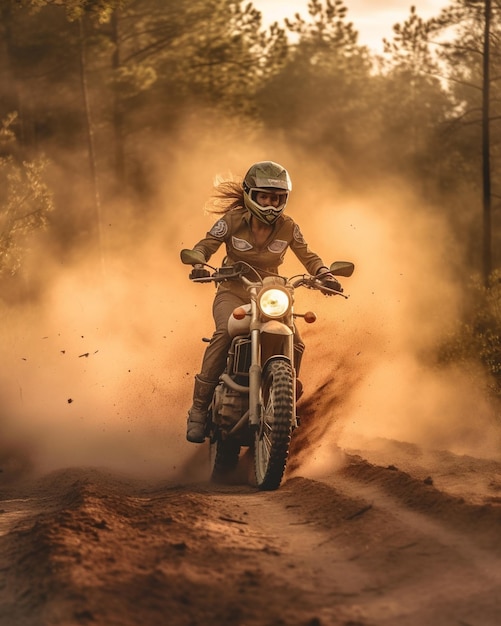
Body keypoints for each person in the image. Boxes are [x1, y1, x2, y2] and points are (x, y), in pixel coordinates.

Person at [182, 160, 341, 443]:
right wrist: (198, 261)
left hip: (272, 293)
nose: (270, 203)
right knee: (224, 333)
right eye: (264, 196)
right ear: (250, 195)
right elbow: (206, 244)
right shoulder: (231, 221)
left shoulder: (289, 226)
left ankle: (283, 399)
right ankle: (197, 411)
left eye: (277, 198)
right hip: (233, 290)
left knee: (298, 342)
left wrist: (323, 274)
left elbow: (308, 255)